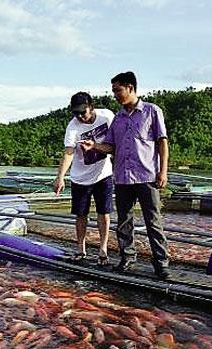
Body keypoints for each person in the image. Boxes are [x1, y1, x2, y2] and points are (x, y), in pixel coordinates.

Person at [81, 71, 170, 279]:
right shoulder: (118, 118)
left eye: (118, 90)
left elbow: (162, 142)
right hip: (122, 177)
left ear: (130, 87)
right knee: (124, 221)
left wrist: (163, 171)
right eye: (113, 91)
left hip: (147, 176)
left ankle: (161, 263)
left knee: (153, 221)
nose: (115, 95)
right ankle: (127, 257)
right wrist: (94, 146)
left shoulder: (151, 111)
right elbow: (110, 146)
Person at [54, 92, 115, 266]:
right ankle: (81, 248)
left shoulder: (107, 116)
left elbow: (116, 142)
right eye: (76, 113)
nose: (80, 116)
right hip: (80, 178)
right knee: (81, 214)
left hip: (103, 174)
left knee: (104, 212)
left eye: (83, 112)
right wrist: (60, 177)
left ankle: (103, 250)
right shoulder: (73, 127)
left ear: (91, 106)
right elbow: (68, 153)